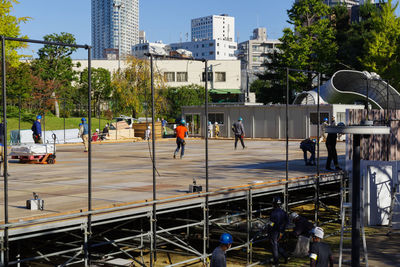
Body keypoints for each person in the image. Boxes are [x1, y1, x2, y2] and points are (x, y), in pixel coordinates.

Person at [268, 196, 289, 266]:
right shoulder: (283, 212)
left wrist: (268, 228)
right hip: (281, 231)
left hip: (274, 231)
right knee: (277, 245)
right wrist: (282, 231)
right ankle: (285, 256)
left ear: (274, 204)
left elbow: (271, 223)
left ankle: (276, 262)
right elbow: (287, 221)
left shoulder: (273, 213)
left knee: (274, 246)